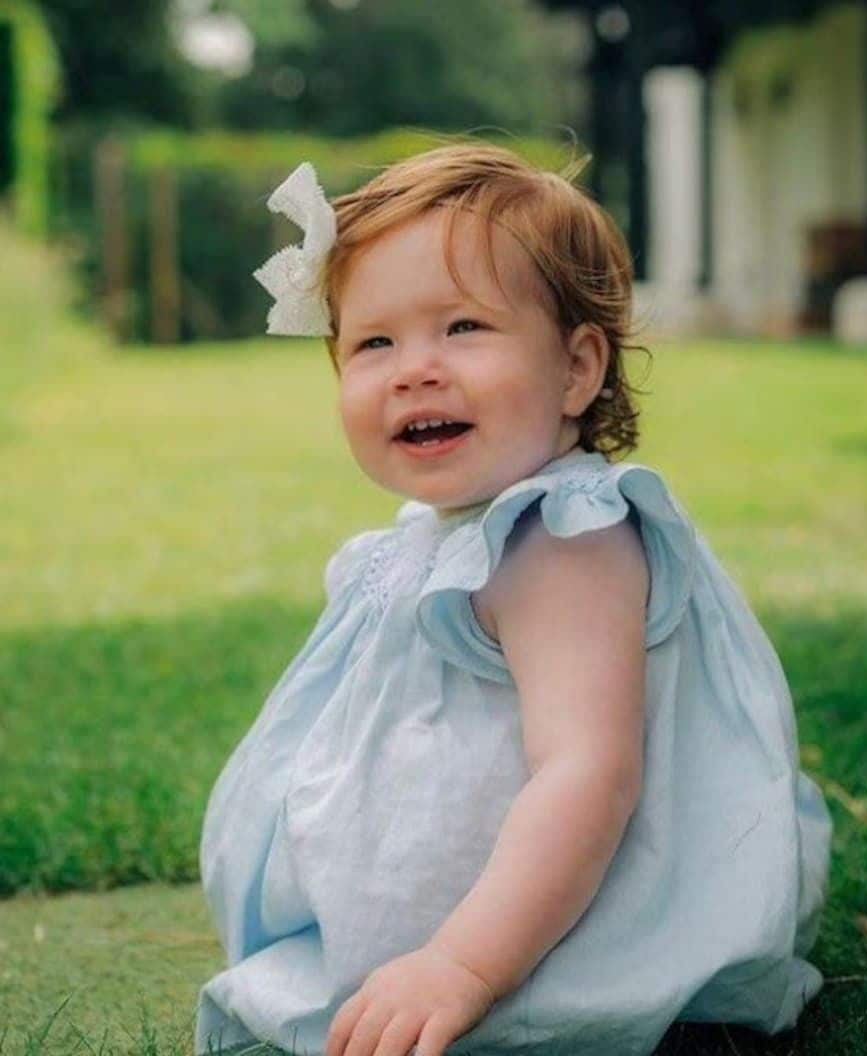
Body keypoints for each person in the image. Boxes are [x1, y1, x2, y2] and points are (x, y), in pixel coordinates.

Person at [195, 143, 832, 1056]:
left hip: (541, 942)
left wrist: (461, 965)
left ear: (577, 369)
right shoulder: (434, 535)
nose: (414, 368)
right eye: (374, 341)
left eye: (462, 328)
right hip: (474, 929)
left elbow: (589, 773)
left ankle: (483, 980)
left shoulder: (563, 539)